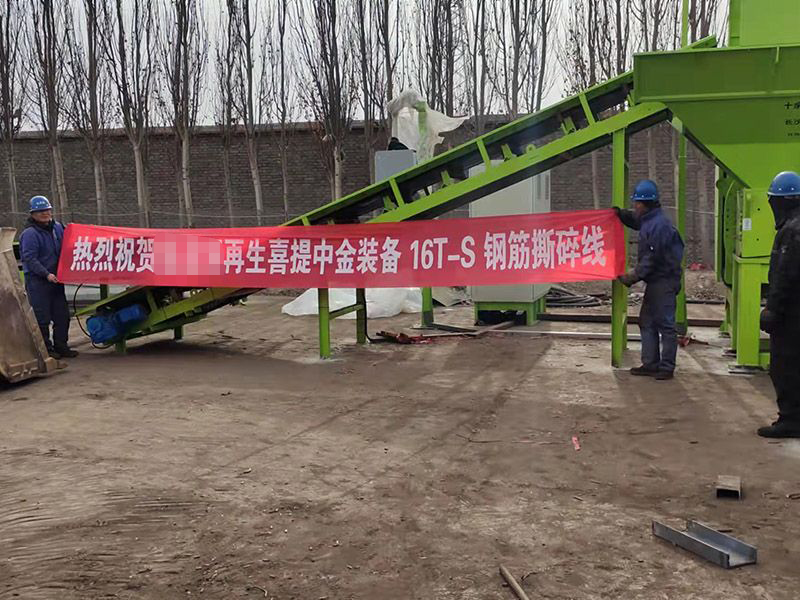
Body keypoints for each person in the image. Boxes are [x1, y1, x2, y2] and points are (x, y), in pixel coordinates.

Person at [614, 179, 684, 380]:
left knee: (665, 326)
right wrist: (620, 214)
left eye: (637, 203)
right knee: (647, 322)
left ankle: (666, 367)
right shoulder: (651, 219)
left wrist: (631, 277)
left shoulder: (658, 226)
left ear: (646, 204)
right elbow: (636, 221)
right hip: (657, 281)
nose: (635, 206)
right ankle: (651, 364)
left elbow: (651, 259)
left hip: (664, 281)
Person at [757, 171, 800, 438]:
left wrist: (773, 309)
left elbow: (786, 276)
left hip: (791, 315)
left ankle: (791, 420)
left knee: (785, 366)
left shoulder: (792, 231)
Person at [19, 196, 78, 359]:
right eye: (40, 211)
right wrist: (46, 274)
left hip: (57, 281)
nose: (45, 213)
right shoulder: (30, 234)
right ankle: (47, 350)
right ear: (33, 214)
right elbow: (30, 259)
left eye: (47, 210)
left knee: (62, 316)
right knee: (42, 318)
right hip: (38, 283)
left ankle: (61, 346)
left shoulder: (57, 228)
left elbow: (71, 242)